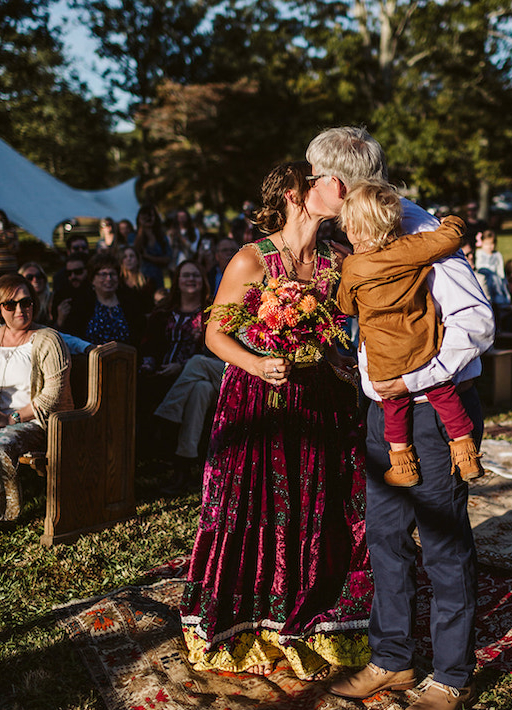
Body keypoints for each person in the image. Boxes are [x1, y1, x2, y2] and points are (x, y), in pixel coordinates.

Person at [308, 127, 494, 710]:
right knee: (385, 537)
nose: (313, 190)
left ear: (336, 184)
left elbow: (475, 323)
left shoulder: (420, 235)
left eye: (315, 180)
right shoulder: (356, 239)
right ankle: (393, 657)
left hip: (434, 412)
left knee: (441, 542)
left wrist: (411, 383)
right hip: (382, 413)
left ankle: (451, 674)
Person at [177, 160, 372, 679]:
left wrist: (338, 361)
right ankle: (250, 623)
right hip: (257, 401)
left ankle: (315, 619)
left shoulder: (338, 259)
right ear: (294, 192)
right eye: (326, 182)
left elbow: (332, 331)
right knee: (257, 505)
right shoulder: (251, 259)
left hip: (321, 401)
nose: (340, 189)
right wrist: (256, 363)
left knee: (323, 504)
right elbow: (215, 334)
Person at [336, 180, 483, 488]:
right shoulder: (411, 248)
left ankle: (403, 464)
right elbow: (450, 238)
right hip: (422, 344)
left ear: (352, 228)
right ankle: (465, 451)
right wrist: (451, 221)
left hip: (384, 356)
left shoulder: (352, 267)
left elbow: (346, 306)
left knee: (394, 404)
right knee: (443, 392)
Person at [0, 274, 74, 542]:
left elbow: (53, 394)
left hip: (32, 422)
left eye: (26, 302)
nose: (20, 310)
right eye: (11, 304)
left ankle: (3, 516)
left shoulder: (47, 339)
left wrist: (9, 418)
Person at [138, 257, 210, 416]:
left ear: (203, 280)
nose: (191, 279)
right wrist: (149, 365)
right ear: (177, 280)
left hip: (191, 376)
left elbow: (210, 351)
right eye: (186, 275)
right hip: (158, 371)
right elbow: (149, 344)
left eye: (195, 275)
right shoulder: (163, 311)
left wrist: (181, 366)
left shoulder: (210, 313)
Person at [57, 251, 146, 347]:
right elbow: (73, 337)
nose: (109, 279)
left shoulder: (130, 302)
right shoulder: (82, 304)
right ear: (93, 279)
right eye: (103, 274)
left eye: (113, 274)